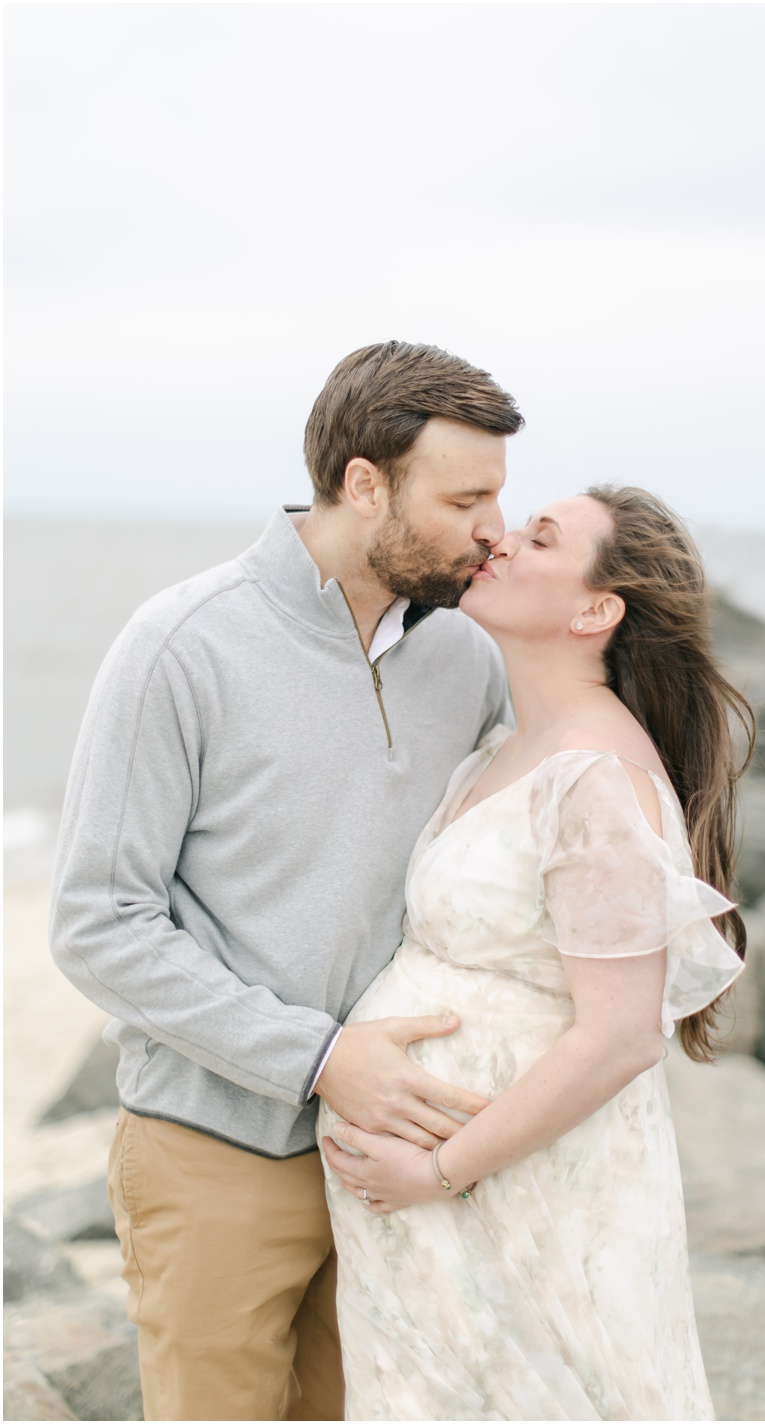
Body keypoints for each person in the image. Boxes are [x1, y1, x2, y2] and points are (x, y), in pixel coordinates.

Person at [50, 340, 525, 1419]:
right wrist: (317, 1058)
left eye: (498, 496)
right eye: (466, 498)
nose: (493, 526)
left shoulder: (469, 661)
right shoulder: (180, 645)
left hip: (397, 1161)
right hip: (217, 1152)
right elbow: (96, 923)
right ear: (366, 484)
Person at [315, 486, 750, 1420]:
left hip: (520, 1205)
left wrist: (437, 1170)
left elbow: (623, 1036)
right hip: (452, 1215)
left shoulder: (596, 779)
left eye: (539, 538)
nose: (500, 541)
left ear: (596, 610)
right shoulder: (511, 750)